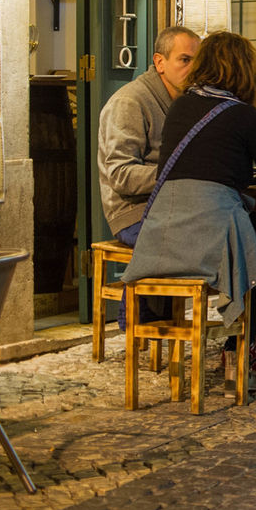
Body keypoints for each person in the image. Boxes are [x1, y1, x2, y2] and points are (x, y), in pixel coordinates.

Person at [123, 31, 256, 379]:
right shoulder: (243, 115)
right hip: (209, 235)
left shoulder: (180, 107)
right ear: (245, 71)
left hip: (164, 232)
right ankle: (245, 348)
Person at [97, 25, 200, 330]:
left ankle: (248, 335)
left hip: (172, 207)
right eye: (184, 60)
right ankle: (138, 318)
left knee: (244, 226)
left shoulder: (184, 102)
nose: (193, 69)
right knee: (203, 237)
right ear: (159, 62)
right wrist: (178, 175)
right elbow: (120, 174)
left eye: (197, 61)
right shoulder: (131, 102)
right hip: (133, 212)